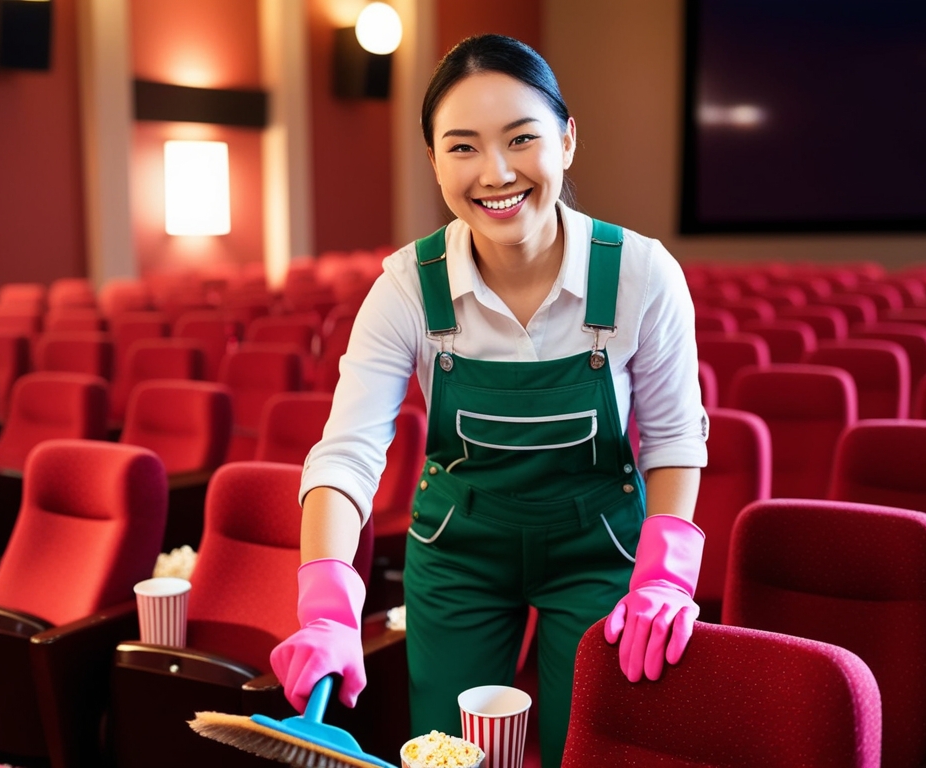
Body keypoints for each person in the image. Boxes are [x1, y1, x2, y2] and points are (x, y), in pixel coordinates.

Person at [268, 34, 708, 768]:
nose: (495, 172)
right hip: (459, 548)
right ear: (435, 159)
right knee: (443, 749)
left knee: (589, 747)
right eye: (463, 146)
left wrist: (665, 574)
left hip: (597, 545)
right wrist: (324, 597)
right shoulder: (407, 287)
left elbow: (671, 439)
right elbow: (347, 454)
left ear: (566, 140)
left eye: (521, 138)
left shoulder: (640, 274)